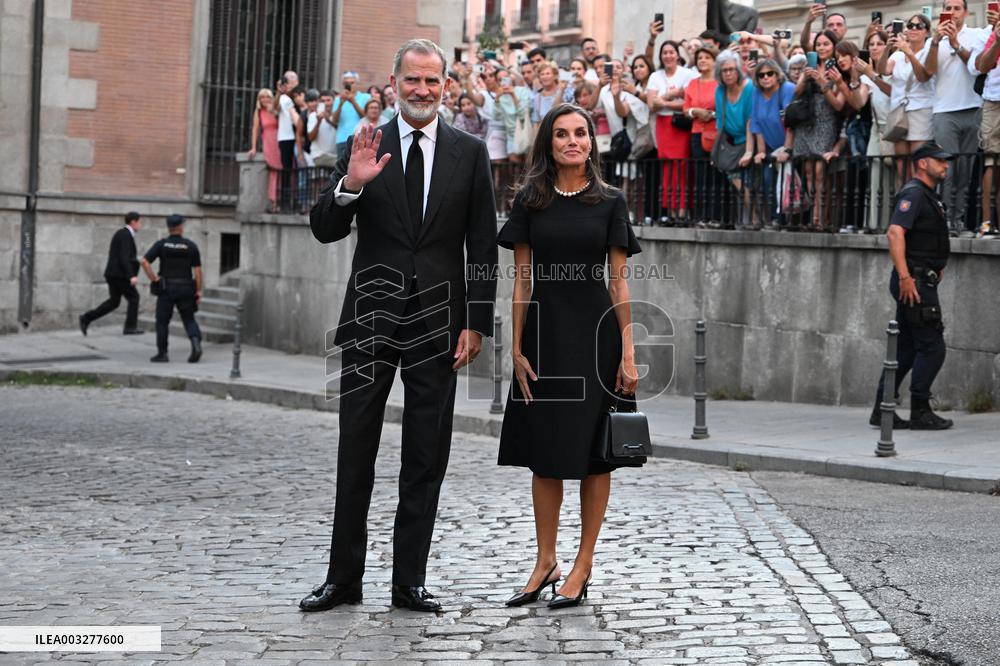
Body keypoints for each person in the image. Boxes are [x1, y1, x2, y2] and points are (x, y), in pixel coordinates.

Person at [301, 39, 498, 614]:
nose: (422, 90)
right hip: (368, 323)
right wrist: (351, 186)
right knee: (354, 452)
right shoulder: (364, 144)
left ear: (446, 86)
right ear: (393, 84)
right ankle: (343, 580)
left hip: (439, 328)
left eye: (432, 81)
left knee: (425, 458)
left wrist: (477, 323)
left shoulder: (470, 153)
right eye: (412, 80)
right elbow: (323, 228)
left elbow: (482, 246)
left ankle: (409, 580)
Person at [496, 103, 640, 611]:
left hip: (596, 338)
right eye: (562, 134)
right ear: (549, 143)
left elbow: (618, 279)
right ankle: (545, 561)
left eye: (581, 133)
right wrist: (514, 345)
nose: (572, 141)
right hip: (543, 338)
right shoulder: (529, 201)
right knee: (545, 453)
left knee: (595, 455)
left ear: (591, 142)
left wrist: (628, 349)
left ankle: (582, 565)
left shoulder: (610, 202)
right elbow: (521, 279)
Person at [870, 141, 955, 431]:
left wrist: (936, 267)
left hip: (919, 278)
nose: (946, 165)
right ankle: (920, 410)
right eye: (940, 161)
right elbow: (895, 234)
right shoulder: (914, 194)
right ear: (923, 163)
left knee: (905, 348)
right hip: (914, 283)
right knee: (932, 347)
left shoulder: (927, 196)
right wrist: (906, 277)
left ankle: (881, 411)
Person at [924, 0, 989, 236]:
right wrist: (935, 42)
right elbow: (927, 73)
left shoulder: (977, 35)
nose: (952, 13)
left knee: (965, 170)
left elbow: (979, 66)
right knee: (946, 170)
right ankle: (943, 220)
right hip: (944, 111)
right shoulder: (935, 38)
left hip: (973, 108)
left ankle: (958, 220)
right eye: (948, 8)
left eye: (956, 8)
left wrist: (955, 43)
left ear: (966, 12)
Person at [794, 31, 846, 231]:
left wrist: (823, 83)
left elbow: (838, 105)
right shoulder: (811, 65)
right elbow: (797, 92)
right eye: (818, 45)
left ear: (834, 46)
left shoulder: (838, 67)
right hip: (807, 121)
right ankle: (814, 216)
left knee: (819, 172)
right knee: (808, 171)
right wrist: (806, 76)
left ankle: (820, 217)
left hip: (827, 120)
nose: (822, 48)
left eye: (826, 44)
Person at [140, 214, 202, 364]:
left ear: (169, 228)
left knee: (162, 321)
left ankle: (162, 354)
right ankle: (195, 343)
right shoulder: (190, 245)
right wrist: (198, 290)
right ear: (180, 227)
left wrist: (154, 278)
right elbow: (198, 271)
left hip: (167, 288)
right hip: (186, 287)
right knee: (188, 319)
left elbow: (144, 261)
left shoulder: (162, 244)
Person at [646, 40, 697, 222]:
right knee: (667, 167)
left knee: (682, 166)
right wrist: (674, 95)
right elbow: (652, 104)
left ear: (677, 54)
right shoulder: (655, 76)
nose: (668, 56)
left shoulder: (688, 74)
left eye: (671, 52)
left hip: (680, 123)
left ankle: (683, 211)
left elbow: (689, 102)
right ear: (661, 56)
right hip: (662, 124)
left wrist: (665, 100)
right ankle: (671, 211)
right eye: (665, 52)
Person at [880, 14, 934, 174]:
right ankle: (905, 198)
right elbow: (883, 70)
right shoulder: (897, 55)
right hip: (899, 113)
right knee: (902, 167)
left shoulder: (928, 52)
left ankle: (919, 198)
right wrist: (887, 49)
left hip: (920, 110)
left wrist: (909, 52)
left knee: (919, 163)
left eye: (919, 26)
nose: (914, 29)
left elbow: (923, 76)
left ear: (927, 32)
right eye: (910, 25)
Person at [79, 211, 145, 336]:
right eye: (139, 222)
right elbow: (123, 257)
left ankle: (86, 318)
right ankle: (130, 327)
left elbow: (124, 256)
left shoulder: (122, 234)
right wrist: (131, 275)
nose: (140, 225)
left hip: (114, 274)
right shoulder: (125, 235)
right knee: (134, 298)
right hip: (120, 275)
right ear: (133, 222)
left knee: (114, 302)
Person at [855, 29, 895, 232]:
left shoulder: (896, 63)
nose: (874, 47)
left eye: (879, 43)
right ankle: (873, 224)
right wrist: (855, 78)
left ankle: (893, 225)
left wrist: (873, 75)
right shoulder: (867, 74)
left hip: (899, 128)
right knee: (875, 177)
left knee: (895, 181)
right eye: (871, 44)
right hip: (877, 128)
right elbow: (858, 101)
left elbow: (893, 93)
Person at [749, 58, 796, 225]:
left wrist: (788, 149)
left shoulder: (788, 89)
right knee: (768, 182)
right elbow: (756, 122)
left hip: (791, 144)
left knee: (789, 184)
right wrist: (761, 151)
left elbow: (791, 121)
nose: (766, 78)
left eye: (770, 74)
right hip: (770, 146)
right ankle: (775, 219)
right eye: (761, 75)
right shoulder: (756, 93)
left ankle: (791, 220)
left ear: (777, 75)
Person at [714, 52, 755, 228]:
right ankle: (751, 219)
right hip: (731, 144)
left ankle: (757, 219)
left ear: (738, 70)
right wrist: (717, 152)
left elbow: (750, 119)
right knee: (738, 184)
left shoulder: (749, 88)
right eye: (724, 70)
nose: (728, 73)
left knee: (753, 184)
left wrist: (749, 150)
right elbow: (720, 122)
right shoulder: (720, 90)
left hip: (751, 141)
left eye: (731, 69)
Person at [972, 4, 1000, 237]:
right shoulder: (994, 33)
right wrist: (998, 39)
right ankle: (987, 222)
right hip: (993, 100)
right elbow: (982, 65)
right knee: (992, 161)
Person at [683, 46, 720, 224]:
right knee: (701, 175)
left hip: (718, 134)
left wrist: (711, 115)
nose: (703, 60)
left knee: (716, 175)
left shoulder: (720, 82)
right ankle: (701, 216)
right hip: (698, 134)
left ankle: (716, 216)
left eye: (707, 57)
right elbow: (685, 110)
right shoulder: (692, 83)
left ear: (714, 60)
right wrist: (696, 111)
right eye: (700, 58)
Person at [248, 88, 282, 210]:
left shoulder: (276, 109)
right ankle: (274, 201)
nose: (265, 99)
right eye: (262, 97)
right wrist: (253, 148)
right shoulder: (259, 112)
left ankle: (282, 199)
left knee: (283, 169)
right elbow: (255, 130)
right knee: (274, 169)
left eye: (267, 97)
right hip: (268, 141)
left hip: (280, 139)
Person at [494, 68, 533, 164]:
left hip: (525, 131)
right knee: (514, 162)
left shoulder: (522, 91)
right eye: (500, 79)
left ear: (511, 78)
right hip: (511, 135)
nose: (504, 81)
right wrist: (497, 99)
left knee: (528, 164)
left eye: (505, 78)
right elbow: (497, 117)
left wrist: (513, 95)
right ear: (497, 82)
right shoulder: (499, 96)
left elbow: (523, 115)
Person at [276, 70, 301, 209]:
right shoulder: (285, 99)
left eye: (293, 82)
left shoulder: (295, 98)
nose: (292, 86)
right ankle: (286, 201)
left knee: (297, 168)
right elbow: (294, 118)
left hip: (294, 137)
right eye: (289, 83)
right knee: (287, 168)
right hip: (287, 137)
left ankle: (294, 199)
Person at [331, 71, 371, 156]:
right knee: (342, 169)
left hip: (361, 139)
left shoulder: (366, 97)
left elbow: (367, 117)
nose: (349, 85)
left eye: (352, 83)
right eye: (346, 83)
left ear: (357, 83)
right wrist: (341, 103)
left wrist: (353, 102)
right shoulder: (338, 99)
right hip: (342, 140)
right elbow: (334, 120)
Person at [311, 90, 339, 168]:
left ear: (334, 101)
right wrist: (318, 122)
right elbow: (310, 137)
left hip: (335, 155)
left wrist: (329, 121)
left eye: (328, 100)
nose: (326, 103)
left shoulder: (338, 116)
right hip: (319, 155)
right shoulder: (313, 116)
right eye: (323, 101)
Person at [532, 61, 562, 131]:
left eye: (548, 73)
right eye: (542, 74)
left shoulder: (563, 91)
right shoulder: (538, 97)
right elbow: (537, 122)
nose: (545, 77)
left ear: (555, 75)